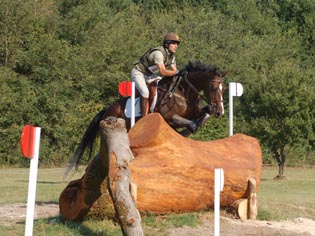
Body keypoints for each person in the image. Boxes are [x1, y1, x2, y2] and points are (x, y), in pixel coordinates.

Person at [131, 32, 180, 117]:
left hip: (150, 75)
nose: (176, 46)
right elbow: (163, 72)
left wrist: (179, 74)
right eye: (173, 43)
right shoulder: (158, 53)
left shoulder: (171, 56)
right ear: (167, 44)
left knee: (163, 87)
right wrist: (177, 72)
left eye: (177, 44)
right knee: (145, 92)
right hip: (138, 73)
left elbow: (174, 71)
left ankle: (158, 108)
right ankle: (144, 116)